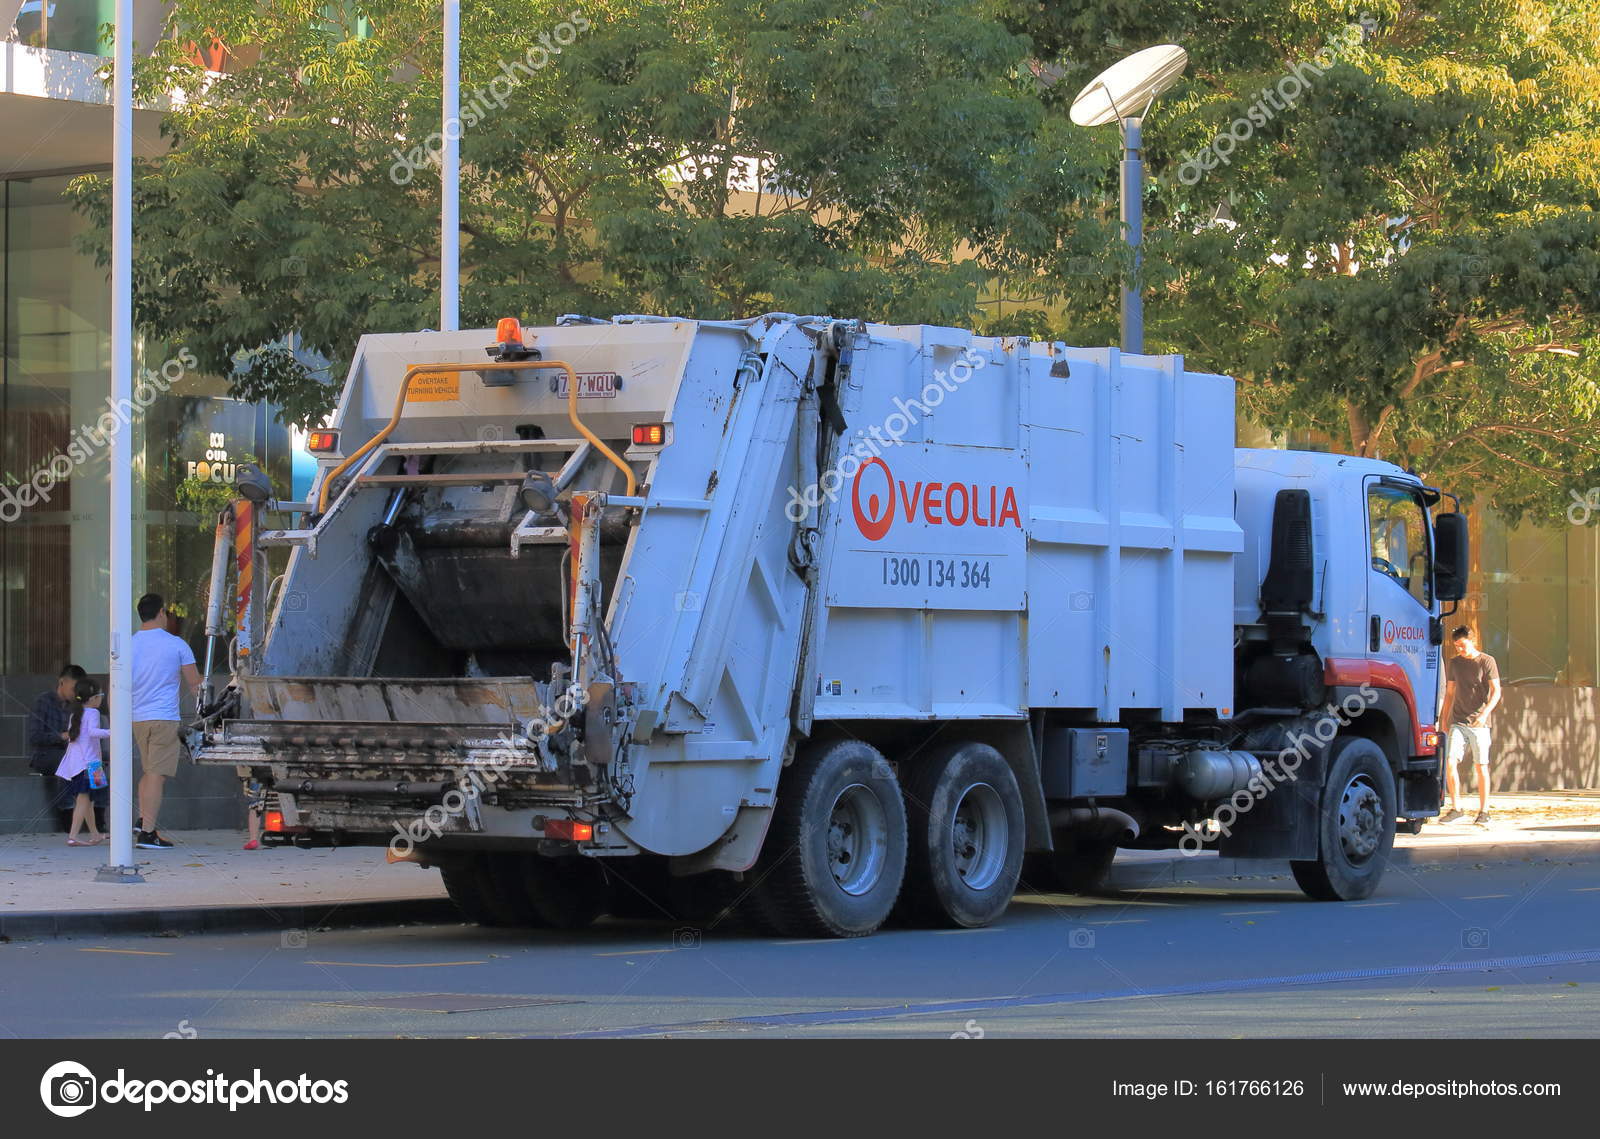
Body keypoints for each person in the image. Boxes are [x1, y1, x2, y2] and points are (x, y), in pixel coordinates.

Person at [130, 592, 200, 850]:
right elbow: (195, 684)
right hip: (165, 718)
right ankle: (148, 833)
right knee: (157, 776)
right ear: (161, 613)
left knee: (149, 772)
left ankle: (141, 822)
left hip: (138, 718)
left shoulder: (128, 644)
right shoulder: (176, 644)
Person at [1439, 625, 1501, 824]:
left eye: (1463, 645)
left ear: (1472, 641)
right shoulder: (1454, 663)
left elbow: (1496, 691)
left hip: (1479, 723)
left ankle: (1484, 811)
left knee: (1481, 765)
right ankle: (1456, 807)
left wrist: (1484, 714)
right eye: (1457, 646)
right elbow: (1449, 693)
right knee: (1450, 762)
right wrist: (1443, 719)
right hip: (1458, 719)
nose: (1460, 649)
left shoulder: (1486, 661)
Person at [28, 664, 91, 832]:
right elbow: (35, 737)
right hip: (46, 754)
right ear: (62, 683)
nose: (76, 693)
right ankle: (67, 814)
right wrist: (63, 736)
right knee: (69, 763)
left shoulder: (79, 705)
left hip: (72, 753)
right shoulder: (44, 701)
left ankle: (96, 815)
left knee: (93, 766)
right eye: (73, 688)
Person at [56, 678, 110, 845]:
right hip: (90, 764)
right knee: (84, 799)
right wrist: (113, 731)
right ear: (93, 698)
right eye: (101, 694)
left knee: (88, 800)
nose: (102, 697)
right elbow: (93, 732)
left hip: (79, 764)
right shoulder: (93, 713)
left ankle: (95, 834)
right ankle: (73, 836)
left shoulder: (76, 714)